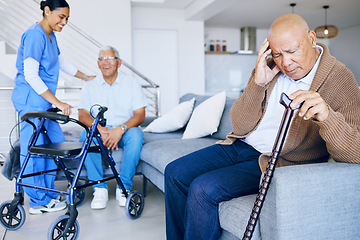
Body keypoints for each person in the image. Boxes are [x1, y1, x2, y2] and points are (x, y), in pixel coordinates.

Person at [164, 13, 360, 240]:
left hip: (275, 160)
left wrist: (328, 117)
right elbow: (239, 124)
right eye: (277, 54)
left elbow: (356, 149)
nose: (285, 63)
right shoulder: (269, 68)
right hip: (240, 145)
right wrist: (258, 83)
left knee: (203, 189)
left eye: (292, 51)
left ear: (312, 39)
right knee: (175, 172)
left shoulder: (341, 79)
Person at [11, 0, 95, 215]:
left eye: (67, 18)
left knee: (53, 146)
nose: (64, 22)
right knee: (35, 151)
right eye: (61, 17)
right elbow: (30, 75)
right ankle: (38, 201)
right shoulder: (34, 35)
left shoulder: (50, 37)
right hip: (31, 101)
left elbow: (61, 63)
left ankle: (47, 193)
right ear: (47, 11)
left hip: (44, 104)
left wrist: (85, 76)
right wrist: (58, 102)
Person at [78, 46, 147, 209]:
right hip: (99, 128)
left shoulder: (131, 84)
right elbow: (82, 115)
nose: (105, 63)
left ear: (119, 62)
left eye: (109, 58)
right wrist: (101, 130)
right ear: (98, 63)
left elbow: (140, 115)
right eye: (101, 59)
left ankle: (124, 188)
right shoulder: (90, 85)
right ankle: (99, 188)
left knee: (137, 136)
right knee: (85, 136)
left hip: (124, 129)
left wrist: (120, 129)